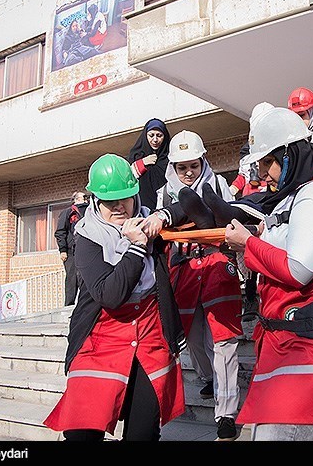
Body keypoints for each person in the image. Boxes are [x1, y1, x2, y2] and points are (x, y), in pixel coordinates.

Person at [223, 106, 313, 441]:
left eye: (266, 162)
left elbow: (299, 270)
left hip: (311, 350)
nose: (262, 174)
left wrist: (248, 244)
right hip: (291, 345)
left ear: (289, 155)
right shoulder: (296, 197)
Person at [43, 153, 185, 441]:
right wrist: (136, 247)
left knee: (143, 434)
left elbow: (195, 205)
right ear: (96, 200)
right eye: (111, 202)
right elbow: (111, 294)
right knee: (81, 433)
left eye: (127, 198)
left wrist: (163, 215)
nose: (120, 207)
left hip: (149, 336)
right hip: (101, 338)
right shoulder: (85, 237)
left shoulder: (147, 219)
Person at [142, 130, 243, 442]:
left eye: (193, 166)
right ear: (172, 167)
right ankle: (208, 376)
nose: (188, 173)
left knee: (224, 342)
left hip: (215, 263)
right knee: (194, 339)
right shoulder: (162, 196)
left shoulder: (219, 186)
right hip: (183, 269)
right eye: (181, 167)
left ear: (203, 161)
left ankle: (226, 414)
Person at [127, 118, 171, 212]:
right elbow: (127, 179)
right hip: (140, 211)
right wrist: (142, 163)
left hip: (166, 211)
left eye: (159, 135)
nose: (155, 140)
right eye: (151, 135)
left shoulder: (171, 158)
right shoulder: (136, 156)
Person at [54, 191, 89, 306]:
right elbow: (60, 232)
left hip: (88, 249)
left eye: (86, 197)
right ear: (76, 199)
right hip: (71, 251)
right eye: (83, 197)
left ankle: (85, 304)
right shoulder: (68, 212)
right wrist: (63, 250)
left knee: (87, 277)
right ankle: (69, 305)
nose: (86, 199)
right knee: (72, 277)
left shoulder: (91, 211)